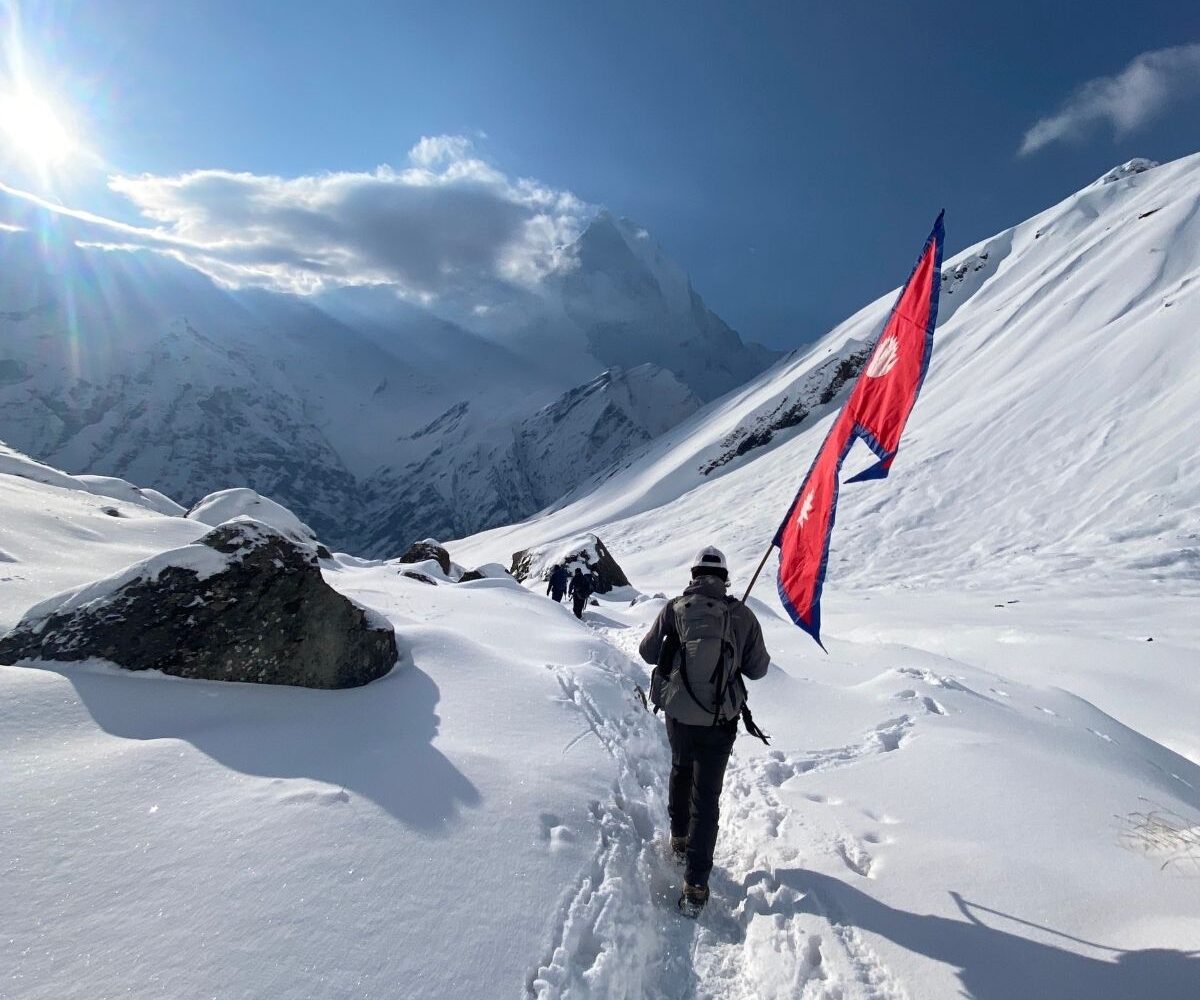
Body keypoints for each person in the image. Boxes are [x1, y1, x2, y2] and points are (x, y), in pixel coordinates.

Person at [638, 545, 770, 917]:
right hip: (720, 720)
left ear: (693, 576)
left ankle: (679, 840)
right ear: (724, 579)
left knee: (680, 771)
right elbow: (758, 669)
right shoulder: (739, 614)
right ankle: (696, 886)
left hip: (679, 715)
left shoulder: (675, 609)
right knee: (706, 797)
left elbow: (648, 652)